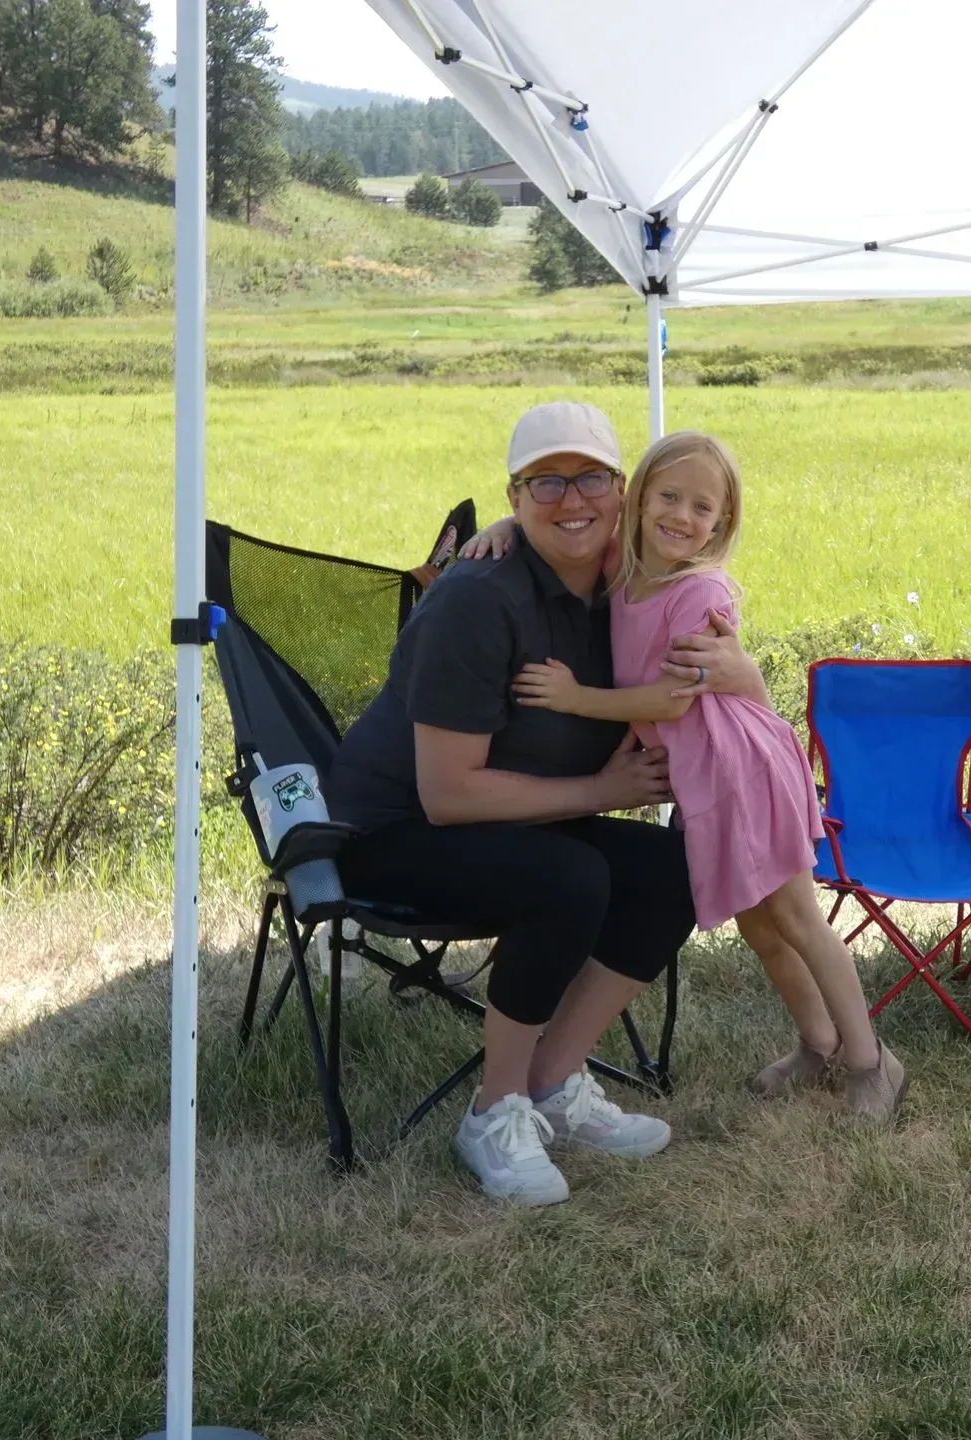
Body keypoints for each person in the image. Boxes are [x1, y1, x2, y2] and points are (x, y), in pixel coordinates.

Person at [325, 401, 766, 1206]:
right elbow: (448, 794)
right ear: (517, 492)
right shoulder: (476, 600)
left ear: (623, 492)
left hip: (523, 817)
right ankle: (495, 1111)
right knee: (569, 878)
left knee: (674, 868)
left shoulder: (626, 585)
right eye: (546, 482)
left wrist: (742, 674)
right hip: (393, 833)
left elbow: (696, 668)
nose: (573, 500)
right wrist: (602, 790)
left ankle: (555, 1080)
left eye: (590, 478)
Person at [504, 431, 907, 1122]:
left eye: (702, 508)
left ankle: (871, 1063)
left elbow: (668, 700)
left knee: (795, 915)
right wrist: (503, 528)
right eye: (668, 497)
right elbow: (556, 527)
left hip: (745, 770)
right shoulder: (622, 573)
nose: (681, 518)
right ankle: (818, 1043)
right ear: (636, 501)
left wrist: (576, 699)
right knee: (758, 925)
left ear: (722, 522)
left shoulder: (700, 593)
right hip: (704, 779)